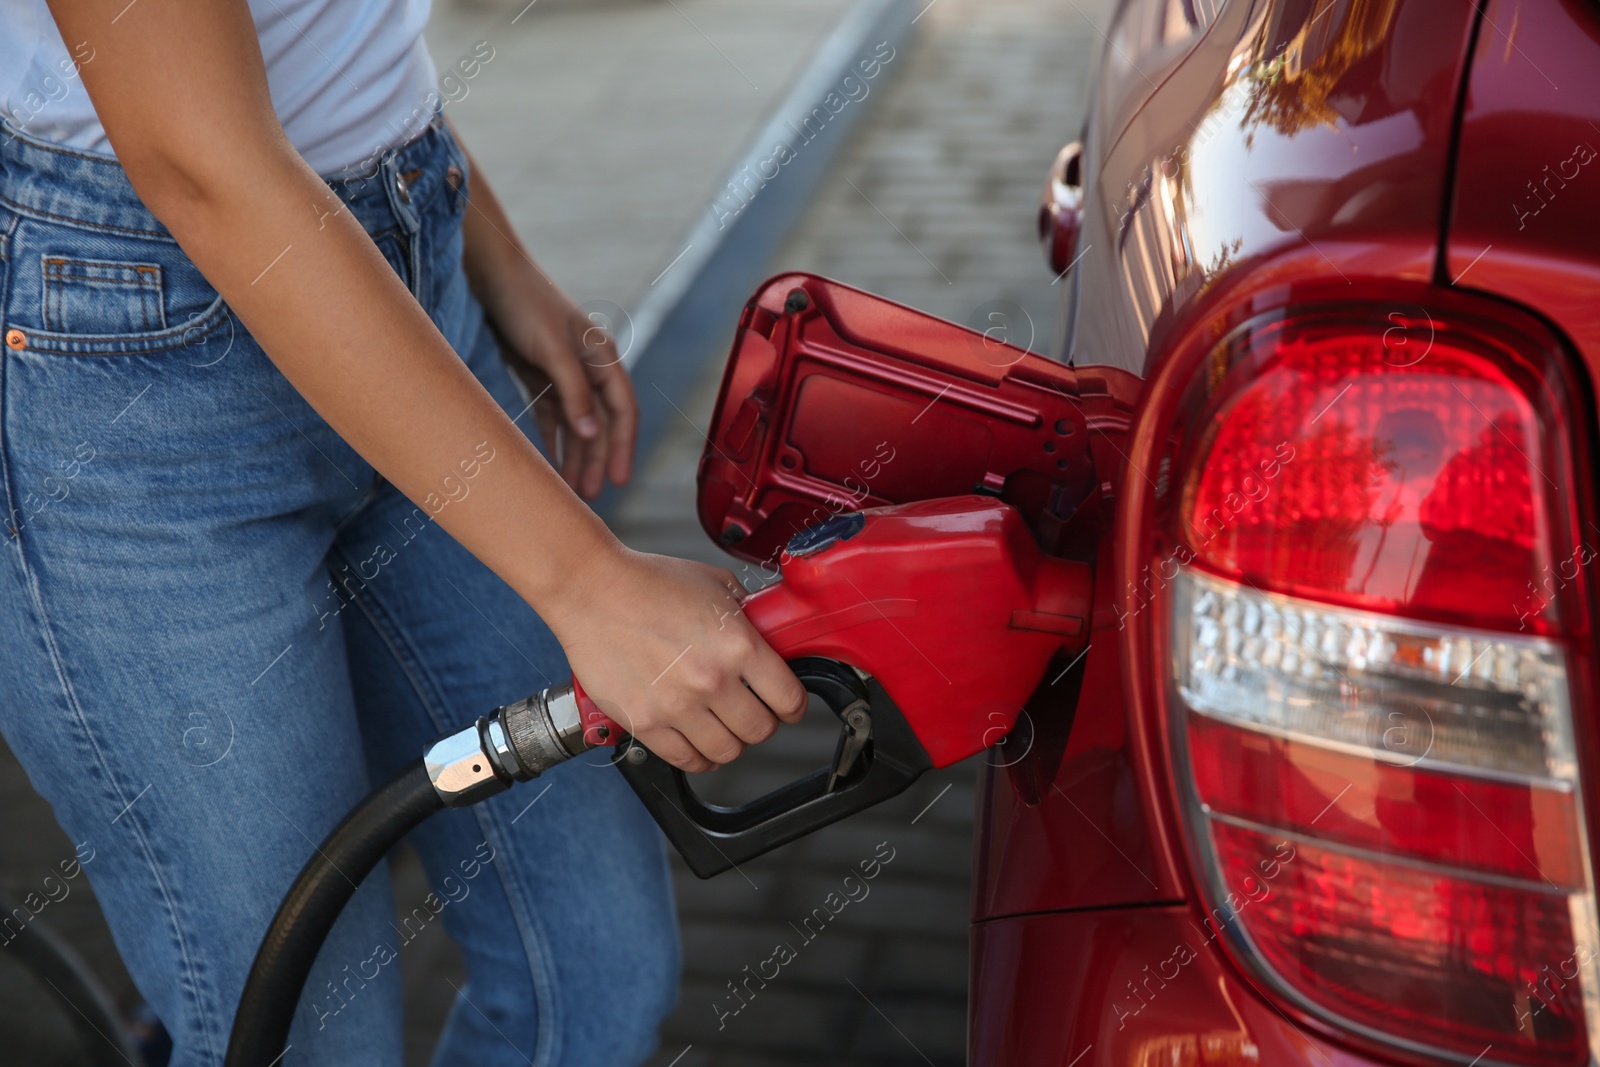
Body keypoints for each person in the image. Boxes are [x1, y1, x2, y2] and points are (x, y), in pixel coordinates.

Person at [0, 1, 807, 1064]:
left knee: (595, 970)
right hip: (134, 368)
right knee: (311, 1036)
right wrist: (587, 582)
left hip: (391, 275)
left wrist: (488, 254)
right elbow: (200, 161)